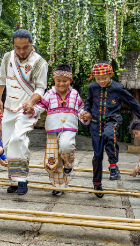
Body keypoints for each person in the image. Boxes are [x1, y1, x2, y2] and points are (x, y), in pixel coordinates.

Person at [80, 61, 140, 198]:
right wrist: (86, 112)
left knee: (109, 134)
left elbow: (132, 102)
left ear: (110, 75)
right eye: (98, 78)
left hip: (113, 119)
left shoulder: (118, 88)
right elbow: (88, 103)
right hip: (95, 123)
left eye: (104, 78)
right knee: (97, 155)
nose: (102, 81)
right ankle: (97, 183)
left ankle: (113, 165)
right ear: (94, 78)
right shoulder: (92, 87)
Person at [0, 29, 48, 195]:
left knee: (19, 138)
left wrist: (31, 102)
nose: (21, 51)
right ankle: (13, 180)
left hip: (27, 109)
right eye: (17, 47)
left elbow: (41, 87)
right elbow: (1, 78)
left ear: (31, 44)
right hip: (9, 107)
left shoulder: (40, 63)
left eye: (25, 47)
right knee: (8, 143)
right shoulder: (7, 57)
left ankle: (22, 179)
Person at [28, 64, 89, 196]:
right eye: (58, 81)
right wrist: (32, 110)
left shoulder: (75, 94)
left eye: (65, 81)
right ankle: (59, 185)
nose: (61, 83)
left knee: (66, 146)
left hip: (69, 128)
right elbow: (40, 107)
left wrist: (84, 115)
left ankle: (68, 164)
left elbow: (81, 109)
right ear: (54, 80)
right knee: (51, 160)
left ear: (70, 81)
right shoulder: (49, 94)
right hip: (52, 130)